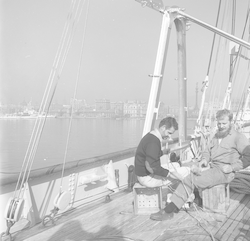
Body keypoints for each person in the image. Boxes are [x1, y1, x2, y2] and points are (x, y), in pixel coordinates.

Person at [150, 109, 249, 221]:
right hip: (212, 168)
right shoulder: (216, 136)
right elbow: (207, 151)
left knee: (191, 179)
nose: (221, 126)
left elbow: (248, 156)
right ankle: (194, 200)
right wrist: (204, 160)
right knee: (191, 172)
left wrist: (232, 167)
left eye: (224, 124)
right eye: (219, 123)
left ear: (231, 122)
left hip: (224, 172)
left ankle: (169, 211)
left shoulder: (238, 137)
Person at [134, 116, 188, 188]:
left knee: (177, 165)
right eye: (169, 133)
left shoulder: (151, 136)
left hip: (144, 175)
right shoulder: (153, 142)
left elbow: (151, 155)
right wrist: (169, 174)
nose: (169, 136)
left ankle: (170, 194)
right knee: (186, 171)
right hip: (147, 179)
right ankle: (172, 197)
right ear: (163, 127)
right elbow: (151, 167)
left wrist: (163, 152)